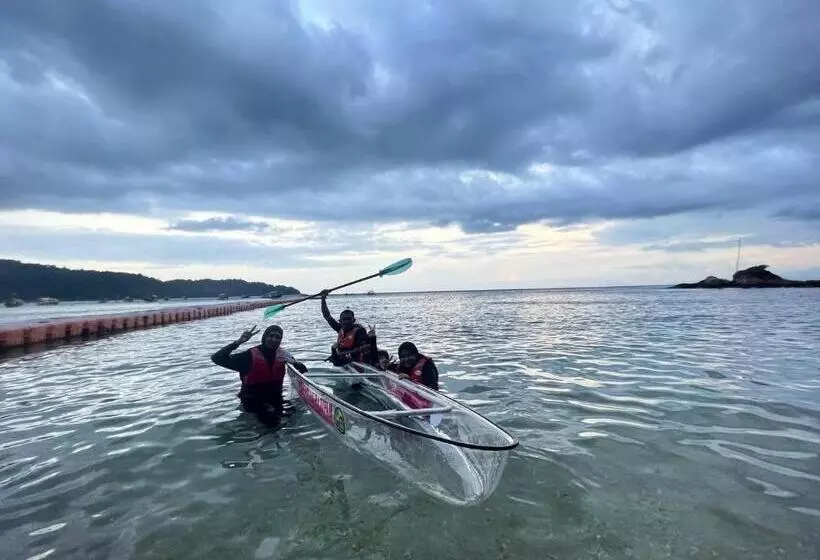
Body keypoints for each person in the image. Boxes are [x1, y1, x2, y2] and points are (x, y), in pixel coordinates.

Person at [211, 324, 307, 426]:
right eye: (271, 336)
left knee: (295, 416)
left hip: (275, 398)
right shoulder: (248, 356)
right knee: (272, 421)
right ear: (264, 337)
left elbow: (303, 370)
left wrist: (296, 363)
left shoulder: (284, 355)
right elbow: (216, 358)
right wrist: (238, 342)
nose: (274, 339)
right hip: (252, 400)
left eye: (277, 337)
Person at [319, 290, 372, 367]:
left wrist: (342, 354)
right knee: (334, 353)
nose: (346, 322)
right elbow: (327, 316)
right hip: (342, 360)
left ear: (353, 320)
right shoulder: (339, 328)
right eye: (344, 320)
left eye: (348, 319)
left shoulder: (360, 331)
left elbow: (365, 347)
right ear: (340, 321)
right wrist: (323, 299)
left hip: (357, 362)